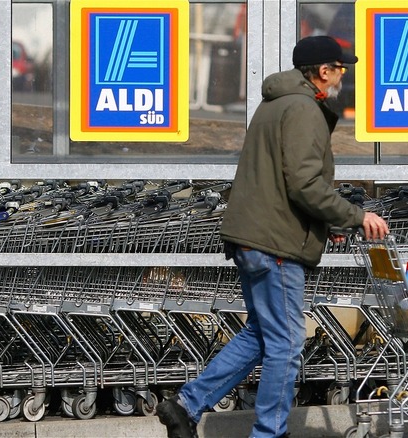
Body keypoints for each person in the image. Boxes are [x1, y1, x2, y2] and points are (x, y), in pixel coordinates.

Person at [155, 35, 390, 438]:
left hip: (255, 237)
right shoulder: (303, 109)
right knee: (286, 344)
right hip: (274, 244)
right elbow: (304, 184)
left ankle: (185, 405)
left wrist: (325, 225)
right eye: (339, 68)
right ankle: (270, 432)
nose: (342, 77)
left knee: (262, 335)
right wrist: (355, 216)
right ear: (322, 71)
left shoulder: (276, 104)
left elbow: (280, 183)